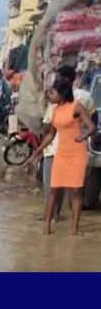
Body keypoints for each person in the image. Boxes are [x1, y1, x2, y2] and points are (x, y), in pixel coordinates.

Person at [23, 79, 95, 236]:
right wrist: (36, 153)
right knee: (53, 190)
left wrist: (82, 137)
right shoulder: (55, 109)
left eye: (52, 92)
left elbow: (91, 127)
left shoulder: (76, 106)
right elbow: (50, 134)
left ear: (62, 94)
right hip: (61, 153)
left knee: (76, 191)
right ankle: (47, 226)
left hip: (77, 153)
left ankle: (75, 229)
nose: (50, 95)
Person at [38, 66, 97, 221]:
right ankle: (64, 223)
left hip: (54, 150)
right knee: (73, 191)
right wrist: (86, 136)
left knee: (52, 190)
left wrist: (39, 149)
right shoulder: (85, 96)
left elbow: (47, 126)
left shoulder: (57, 102)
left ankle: (52, 219)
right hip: (71, 148)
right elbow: (94, 119)